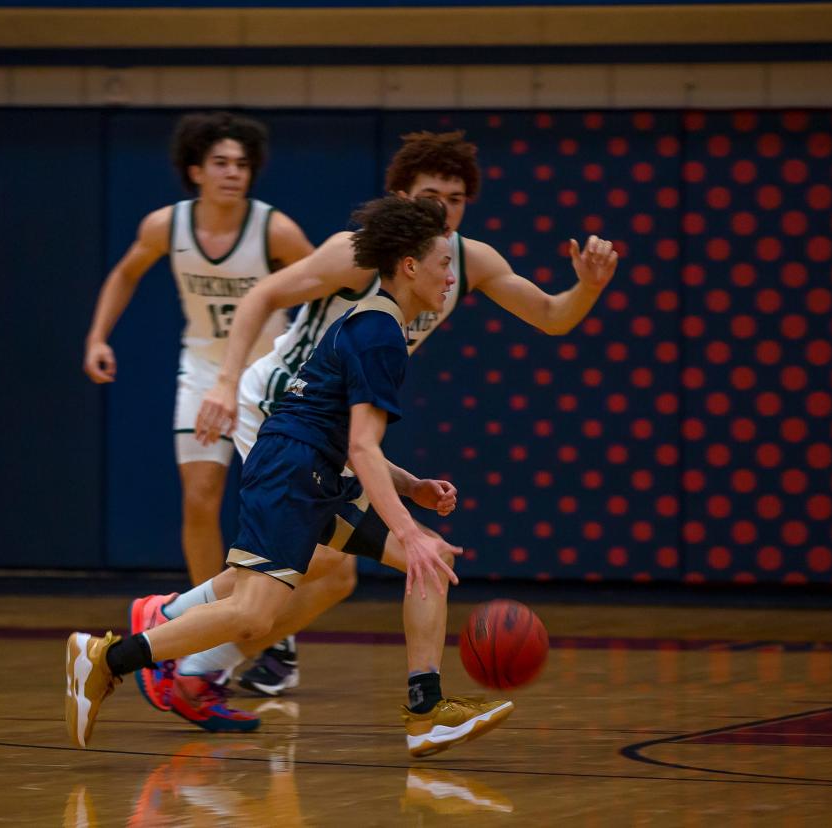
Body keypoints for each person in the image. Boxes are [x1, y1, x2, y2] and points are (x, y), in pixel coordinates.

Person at [132, 130, 619, 707]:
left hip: (332, 424)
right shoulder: (357, 253)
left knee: (335, 575)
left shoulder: (466, 261)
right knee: (327, 563)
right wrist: (223, 382)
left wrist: (586, 287)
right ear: (399, 196)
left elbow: (552, 315)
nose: (444, 208)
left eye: (457, 198)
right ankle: (188, 654)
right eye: (430, 194)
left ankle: (183, 635)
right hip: (280, 402)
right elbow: (262, 295)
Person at [66, 196, 515, 758]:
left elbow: (350, 440)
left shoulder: (379, 321)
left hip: (312, 469)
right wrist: (409, 525)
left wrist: (412, 487)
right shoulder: (380, 334)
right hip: (292, 469)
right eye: (443, 264)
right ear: (408, 265)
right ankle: (107, 659)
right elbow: (360, 446)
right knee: (255, 611)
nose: (452, 276)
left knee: (430, 562)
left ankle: (425, 710)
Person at [83, 111, 313, 586]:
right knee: (200, 497)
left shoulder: (275, 229)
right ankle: (206, 616)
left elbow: (326, 284)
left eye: (242, 164)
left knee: (277, 501)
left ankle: (266, 609)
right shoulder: (165, 227)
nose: (233, 173)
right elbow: (125, 274)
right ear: (195, 170)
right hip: (205, 371)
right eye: (221, 162)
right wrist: (97, 336)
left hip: (272, 376)